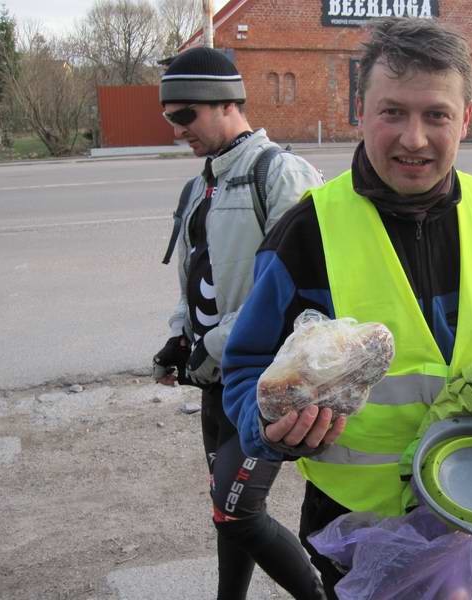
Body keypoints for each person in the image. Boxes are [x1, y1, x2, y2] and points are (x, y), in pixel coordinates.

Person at [221, 18, 472, 599]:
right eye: (392, 112)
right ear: (359, 112)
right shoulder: (306, 233)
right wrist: (272, 430)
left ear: (465, 118)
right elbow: (245, 371)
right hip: (357, 530)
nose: (414, 138)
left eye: (436, 114)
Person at [151, 46, 326, 600]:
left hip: (259, 381)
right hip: (213, 382)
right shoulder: (202, 183)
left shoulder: (279, 173)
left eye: (185, 116)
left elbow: (297, 293)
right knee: (224, 506)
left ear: (226, 103)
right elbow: (195, 272)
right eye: (169, 117)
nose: (177, 130)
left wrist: (219, 344)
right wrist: (180, 337)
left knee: (240, 507)